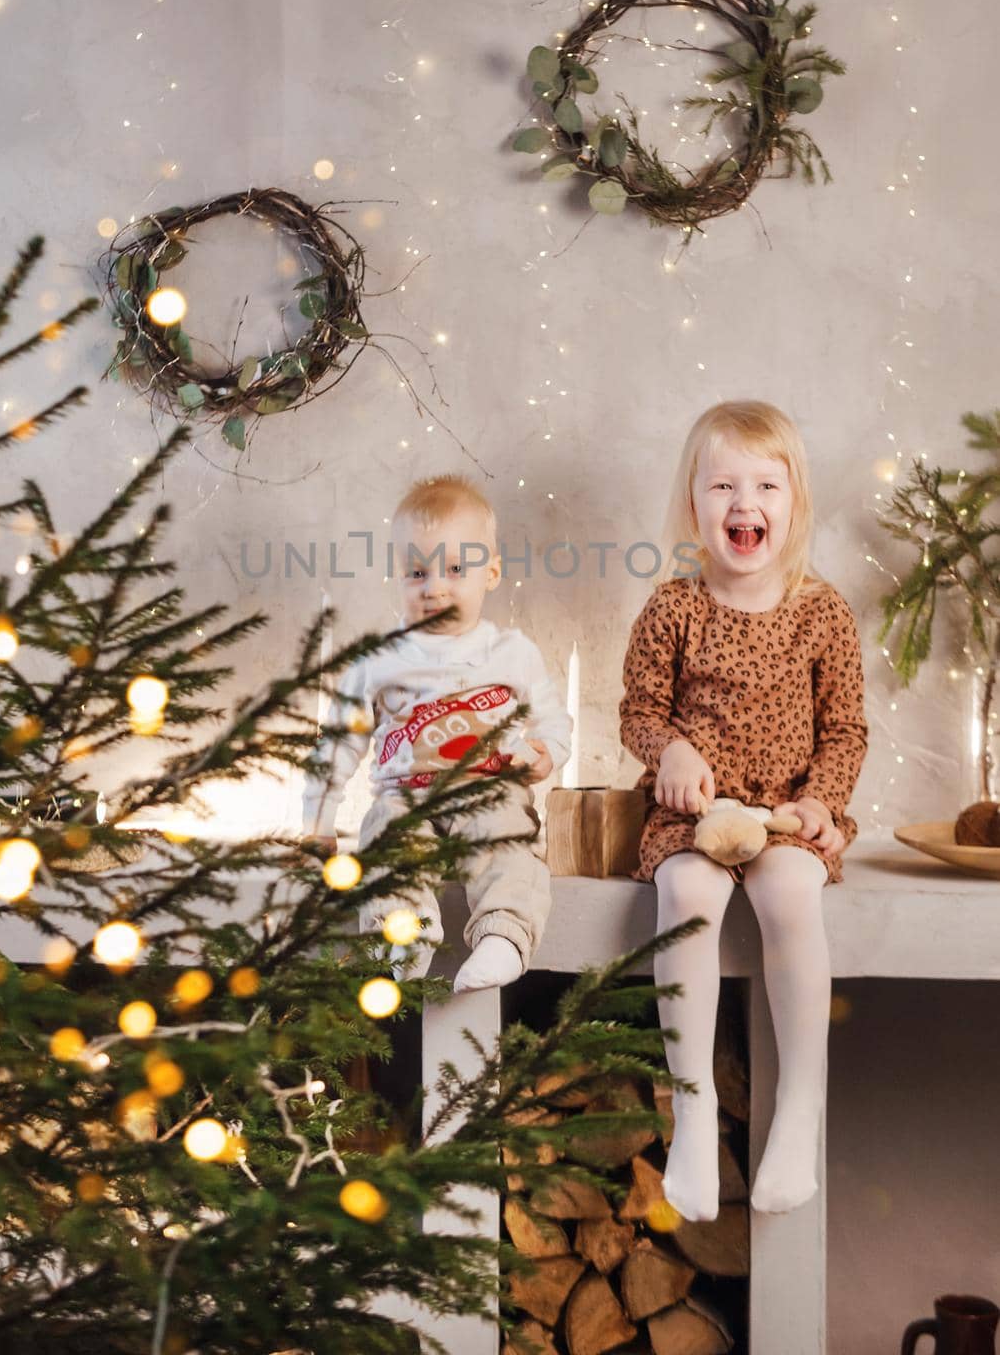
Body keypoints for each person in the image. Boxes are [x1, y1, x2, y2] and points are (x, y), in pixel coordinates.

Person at [619, 400, 868, 1218]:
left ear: (793, 502)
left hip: (787, 819)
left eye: (765, 484)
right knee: (686, 896)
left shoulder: (821, 612)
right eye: (721, 484)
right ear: (693, 501)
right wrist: (671, 754)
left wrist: (822, 802)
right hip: (697, 817)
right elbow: (639, 712)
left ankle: (799, 1107)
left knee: (791, 894)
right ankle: (691, 1113)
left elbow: (845, 728)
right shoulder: (673, 609)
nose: (742, 503)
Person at [302, 474, 572, 993]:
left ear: (491, 572)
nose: (435, 587)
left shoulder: (511, 653)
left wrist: (544, 754)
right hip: (406, 797)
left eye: (455, 569)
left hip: (488, 790)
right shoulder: (380, 661)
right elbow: (336, 745)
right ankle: (402, 935)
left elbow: (552, 720)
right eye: (417, 572)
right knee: (383, 841)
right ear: (396, 576)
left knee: (511, 844)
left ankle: (504, 936)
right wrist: (318, 822)